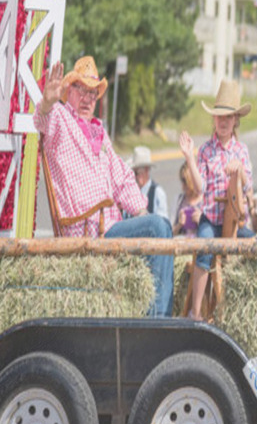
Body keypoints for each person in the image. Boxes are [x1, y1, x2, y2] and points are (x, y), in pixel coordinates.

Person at [34, 57, 174, 317]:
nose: (88, 98)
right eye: (81, 91)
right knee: (158, 228)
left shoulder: (99, 133)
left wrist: (141, 212)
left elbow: (122, 178)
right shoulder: (62, 121)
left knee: (159, 224)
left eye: (93, 93)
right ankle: (158, 321)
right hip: (88, 231)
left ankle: (157, 315)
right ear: (68, 92)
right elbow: (42, 122)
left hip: (108, 226)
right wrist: (48, 103)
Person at [179, 79, 255, 320]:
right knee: (204, 247)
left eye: (228, 117)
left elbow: (249, 184)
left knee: (254, 245)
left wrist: (239, 171)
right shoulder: (205, 150)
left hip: (234, 222)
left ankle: (242, 309)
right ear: (214, 119)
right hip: (212, 219)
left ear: (235, 120)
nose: (223, 122)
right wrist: (190, 159)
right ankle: (196, 311)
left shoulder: (241, 150)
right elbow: (200, 186)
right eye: (219, 117)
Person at [129, 146, 169, 223]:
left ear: (146, 170)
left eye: (136, 173)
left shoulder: (157, 192)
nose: (134, 177)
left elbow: (163, 223)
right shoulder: (131, 192)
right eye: (132, 173)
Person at [172, 162, 202, 238]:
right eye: (181, 181)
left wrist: (201, 221)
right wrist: (179, 224)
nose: (182, 186)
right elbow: (170, 233)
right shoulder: (179, 200)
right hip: (182, 242)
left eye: (185, 181)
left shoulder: (206, 201)